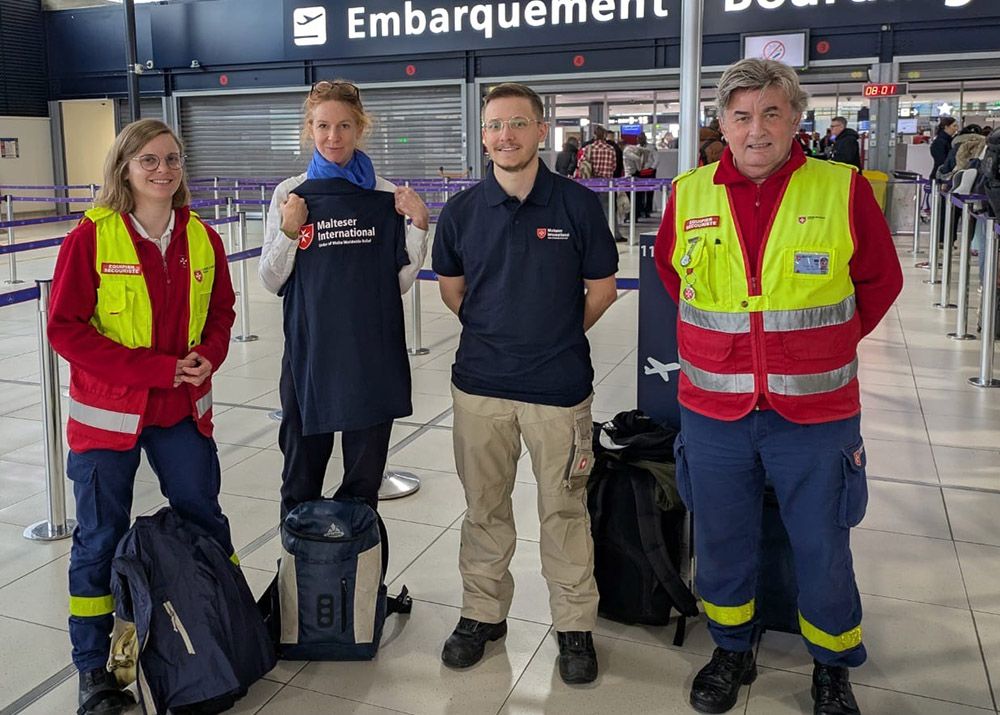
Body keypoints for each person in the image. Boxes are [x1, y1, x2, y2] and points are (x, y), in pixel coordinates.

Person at [654, 59, 902, 715]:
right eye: (742, 115)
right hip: (714, 410)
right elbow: (674, 279)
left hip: (815, 413)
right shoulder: (689, 193)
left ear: (795, 119)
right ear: (722, 123)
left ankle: (831, 665)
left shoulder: (842, 187)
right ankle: (731, 648)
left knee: (822, 545)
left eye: (771, 113)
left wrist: (823, 344)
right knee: (723, 540)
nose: (756, 129)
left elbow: (880, 281)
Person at [48, 118, 237, 715]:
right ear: (124, 168)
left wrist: (210, 354)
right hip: (109, 418)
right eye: (149, 160)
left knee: (204, 517)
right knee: (99, 539)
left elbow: (223, 312)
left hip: (181, 411)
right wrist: (155, 370)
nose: (163, 170)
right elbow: (65, 329)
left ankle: (227, 625)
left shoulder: (202, 237)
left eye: (172, 160)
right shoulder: (91, 238)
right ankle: (96, 670)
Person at [432, 82, 618, 685]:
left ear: (542, 130)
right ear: (483, 135)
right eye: (494, 125)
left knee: (564, 511)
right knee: (484, 509)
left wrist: (553, 336)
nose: (505, 135)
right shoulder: (461, 212)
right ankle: (482, 616)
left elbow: (602, 290)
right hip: (480, 388)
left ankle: (574, 627)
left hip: (559, 391)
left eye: (517, 123)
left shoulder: (577, 206)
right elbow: (452, 291)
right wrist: (499, 336)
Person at [258, 80, 429, 517]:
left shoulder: (385, 195)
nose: (333, 137)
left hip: (370, 353)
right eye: (323, 126)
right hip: (310, 356)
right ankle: (301, 577)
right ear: (309, 130)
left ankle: (357, 577)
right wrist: (290, 229)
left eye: (344, 126)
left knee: (363, 485)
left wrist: (419, 226)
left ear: (360, 129)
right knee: (300, 480)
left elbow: (400, 282)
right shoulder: (290, 195)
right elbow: (272, 279)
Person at [929, 117, 959, 182]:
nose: (956, 128)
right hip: (940, 177)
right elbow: (941, 161)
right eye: (954, 126)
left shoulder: (949, 141)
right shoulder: (939, 142)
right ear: (946, 127)